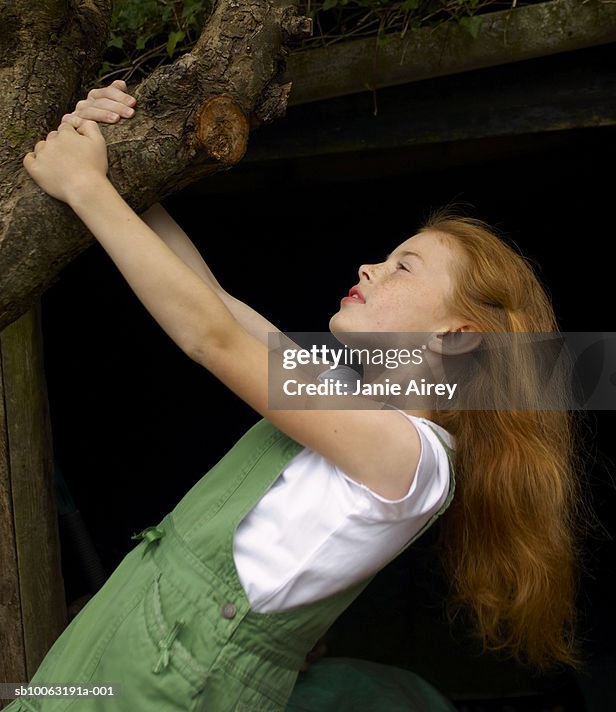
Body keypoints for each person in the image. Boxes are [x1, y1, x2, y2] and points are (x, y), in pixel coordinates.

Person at [11, 82, 586, 712]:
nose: (371, 267)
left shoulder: (410, 457)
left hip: (180, 677)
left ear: (457, 337)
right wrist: (115, 166)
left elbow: (212, 338)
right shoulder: (344, 395)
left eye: (405, 267)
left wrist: (86, 188)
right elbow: (215, 301)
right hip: (125, 636)